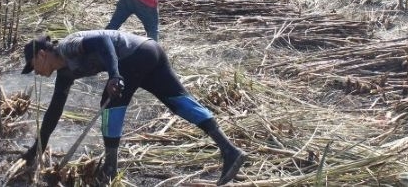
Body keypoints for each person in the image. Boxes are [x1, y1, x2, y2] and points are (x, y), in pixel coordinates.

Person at [20, 30, 246, 186]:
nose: (36, 73)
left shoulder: (67, 47)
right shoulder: (65, 73)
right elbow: (53, 111)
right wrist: (38, 147)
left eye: (33, 67)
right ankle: (230, 150)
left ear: (41, 55)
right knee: (177, 100)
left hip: (135, 55)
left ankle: (110, 169)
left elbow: (103, 42)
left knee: (109, 104)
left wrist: (115, 75)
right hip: (148, 50)